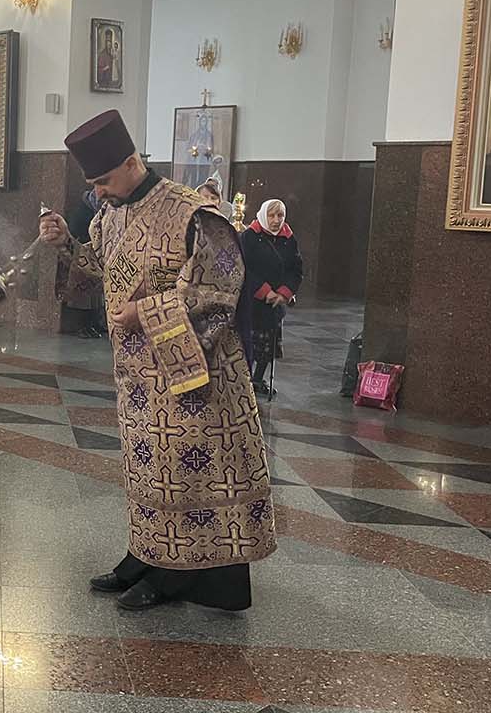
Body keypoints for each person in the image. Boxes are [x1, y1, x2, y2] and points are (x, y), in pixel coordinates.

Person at [40, 109, 274, 611]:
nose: (98, 192)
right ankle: (146, 556)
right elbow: (102, 268)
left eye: (103, 181)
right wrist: (67, 245)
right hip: (138, 379)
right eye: (93, 184)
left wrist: (145, 313)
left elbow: (220, 291)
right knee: (149, 471)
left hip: (195, 379)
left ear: (131, 163)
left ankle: (177, 576)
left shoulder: (193, 215)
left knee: (185, 474)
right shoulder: (111, 215)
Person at [241, 198, 303, 395]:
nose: (276, 220)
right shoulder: (250, 236)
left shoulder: (288, 238)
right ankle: (243, 381)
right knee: (250, 343)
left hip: (276, 303)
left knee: (269, 344)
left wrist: (285, 292)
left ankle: (258, 379)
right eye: (272, 215)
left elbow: (296, 269)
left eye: (280, 215)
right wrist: (264, 291)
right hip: (253, 301)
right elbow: (244, 268)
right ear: (264, 215)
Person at [62, 188, 107, 339]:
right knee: (82, 298)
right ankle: (80, 326)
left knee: (95, 296)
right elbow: (75, 231)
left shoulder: (98, 210)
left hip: (92, 257)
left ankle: (94, 324)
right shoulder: (84, 210)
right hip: (81, 256)